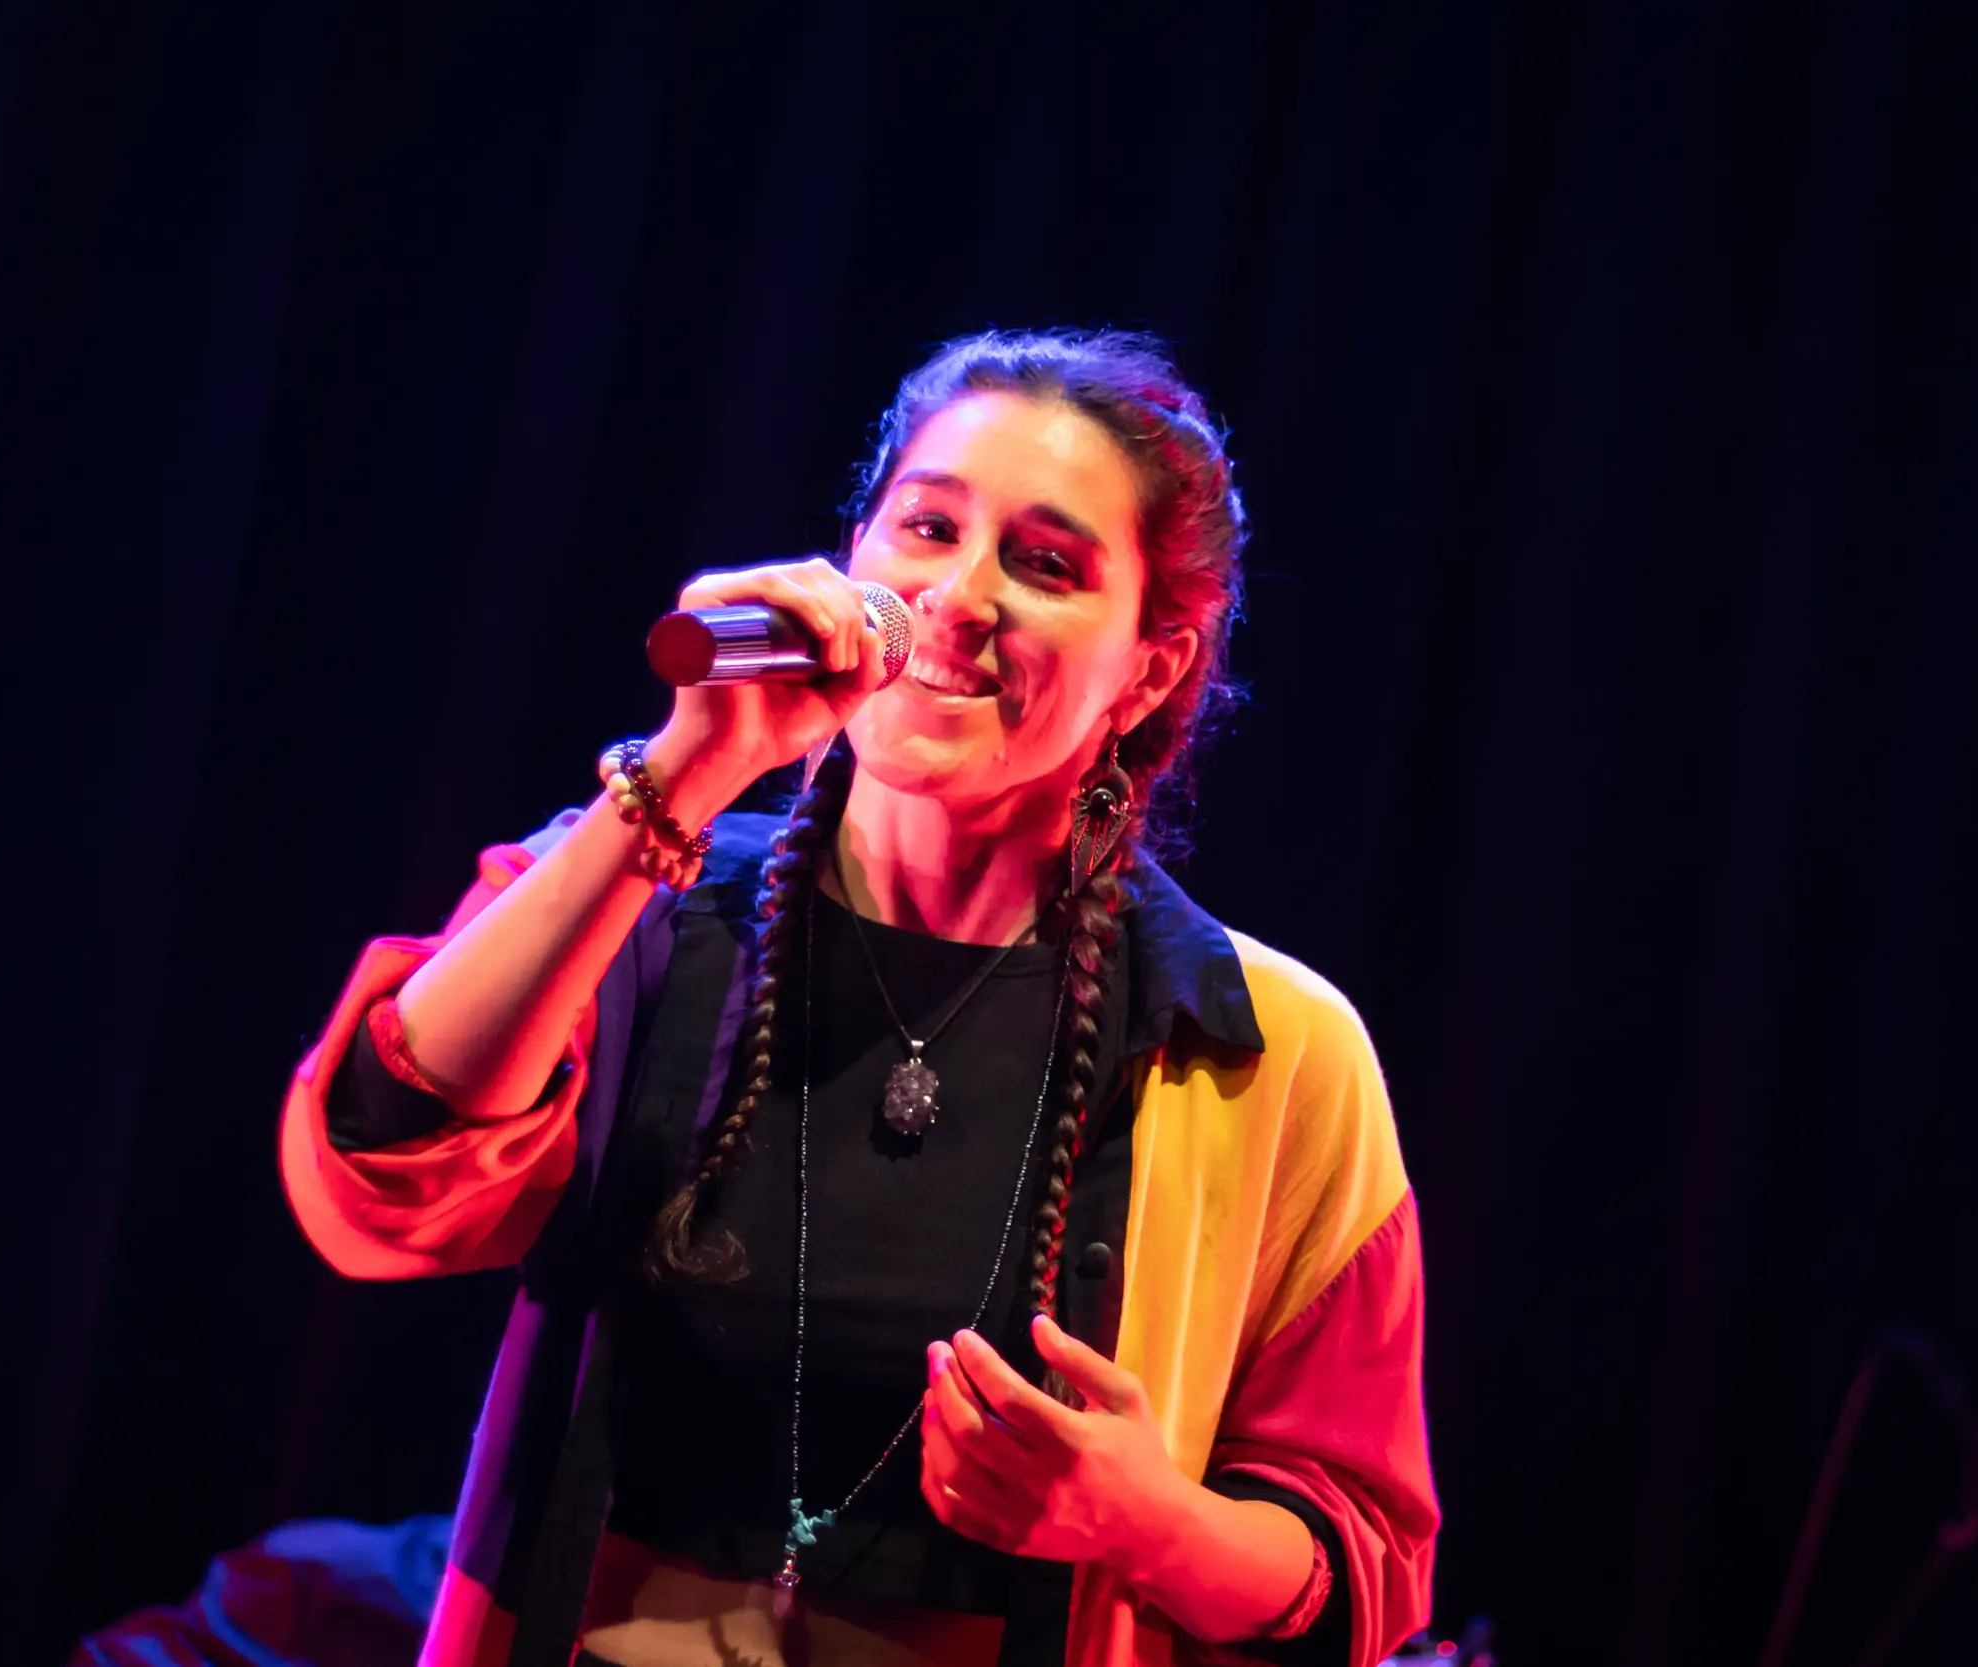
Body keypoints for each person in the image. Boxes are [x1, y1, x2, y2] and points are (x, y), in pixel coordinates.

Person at [279, 331, 1438, 1667]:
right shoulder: (636, 899)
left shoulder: (1268, 1049)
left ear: (1152, 669)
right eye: (929, 525)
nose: (960, 593)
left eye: (1044, 564)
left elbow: (1361, 1570)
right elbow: (382, 1172)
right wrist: (682, 770)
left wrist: (1148, 1520)